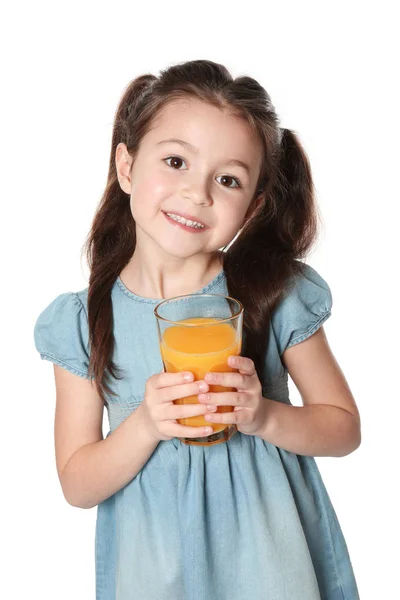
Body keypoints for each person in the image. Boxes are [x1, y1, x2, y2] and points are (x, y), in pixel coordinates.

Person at [33, 59, 361, 599]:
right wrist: (145, 424)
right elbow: (77, 483)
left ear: (252, 208)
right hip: (155, 573)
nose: (198, 192)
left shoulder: (271, 296)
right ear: (127, 166)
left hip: (273, 571)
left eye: (227, 179)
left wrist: (263, 415)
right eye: (176, 161)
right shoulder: (85, 322)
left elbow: (343, 428)